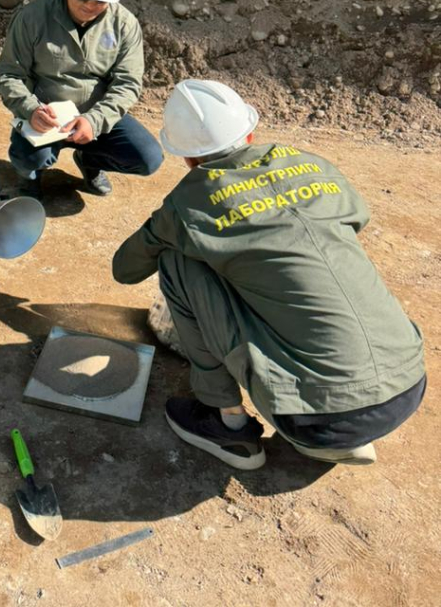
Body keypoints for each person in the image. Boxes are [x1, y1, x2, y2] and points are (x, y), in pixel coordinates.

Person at [113, 79, 426, 470]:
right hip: (409, 383)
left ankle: (227, 423)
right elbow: (356, 219)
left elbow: (125, 269)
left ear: (188, 158)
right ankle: (347, 424)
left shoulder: (189, 203)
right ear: (249, 132)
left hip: (319, 420)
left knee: (178, 260)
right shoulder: (312, 163)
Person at [0, 0, 163, 198]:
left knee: (148, 158)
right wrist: (31, 110)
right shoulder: (32, 18)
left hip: (97, 114)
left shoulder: (124, 25)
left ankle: (90, 161)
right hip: (46, 118)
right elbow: (9, 74)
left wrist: (95, 121)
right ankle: (30, 178)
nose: (90, 6)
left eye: (100, 0)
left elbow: (128, 84)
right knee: (29, 157)